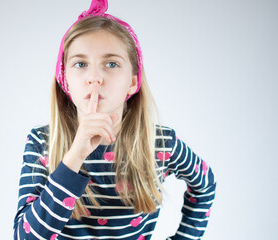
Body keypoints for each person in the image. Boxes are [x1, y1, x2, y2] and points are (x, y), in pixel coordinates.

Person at [13, 0, 216, 239]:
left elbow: (206, 185)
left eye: (111, 64)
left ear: (133, 81)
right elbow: (24, 236)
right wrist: (74, 157)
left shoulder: (161, 143)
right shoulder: (42, 142)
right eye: (80, 64)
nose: (95, 77)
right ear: (65, 79)